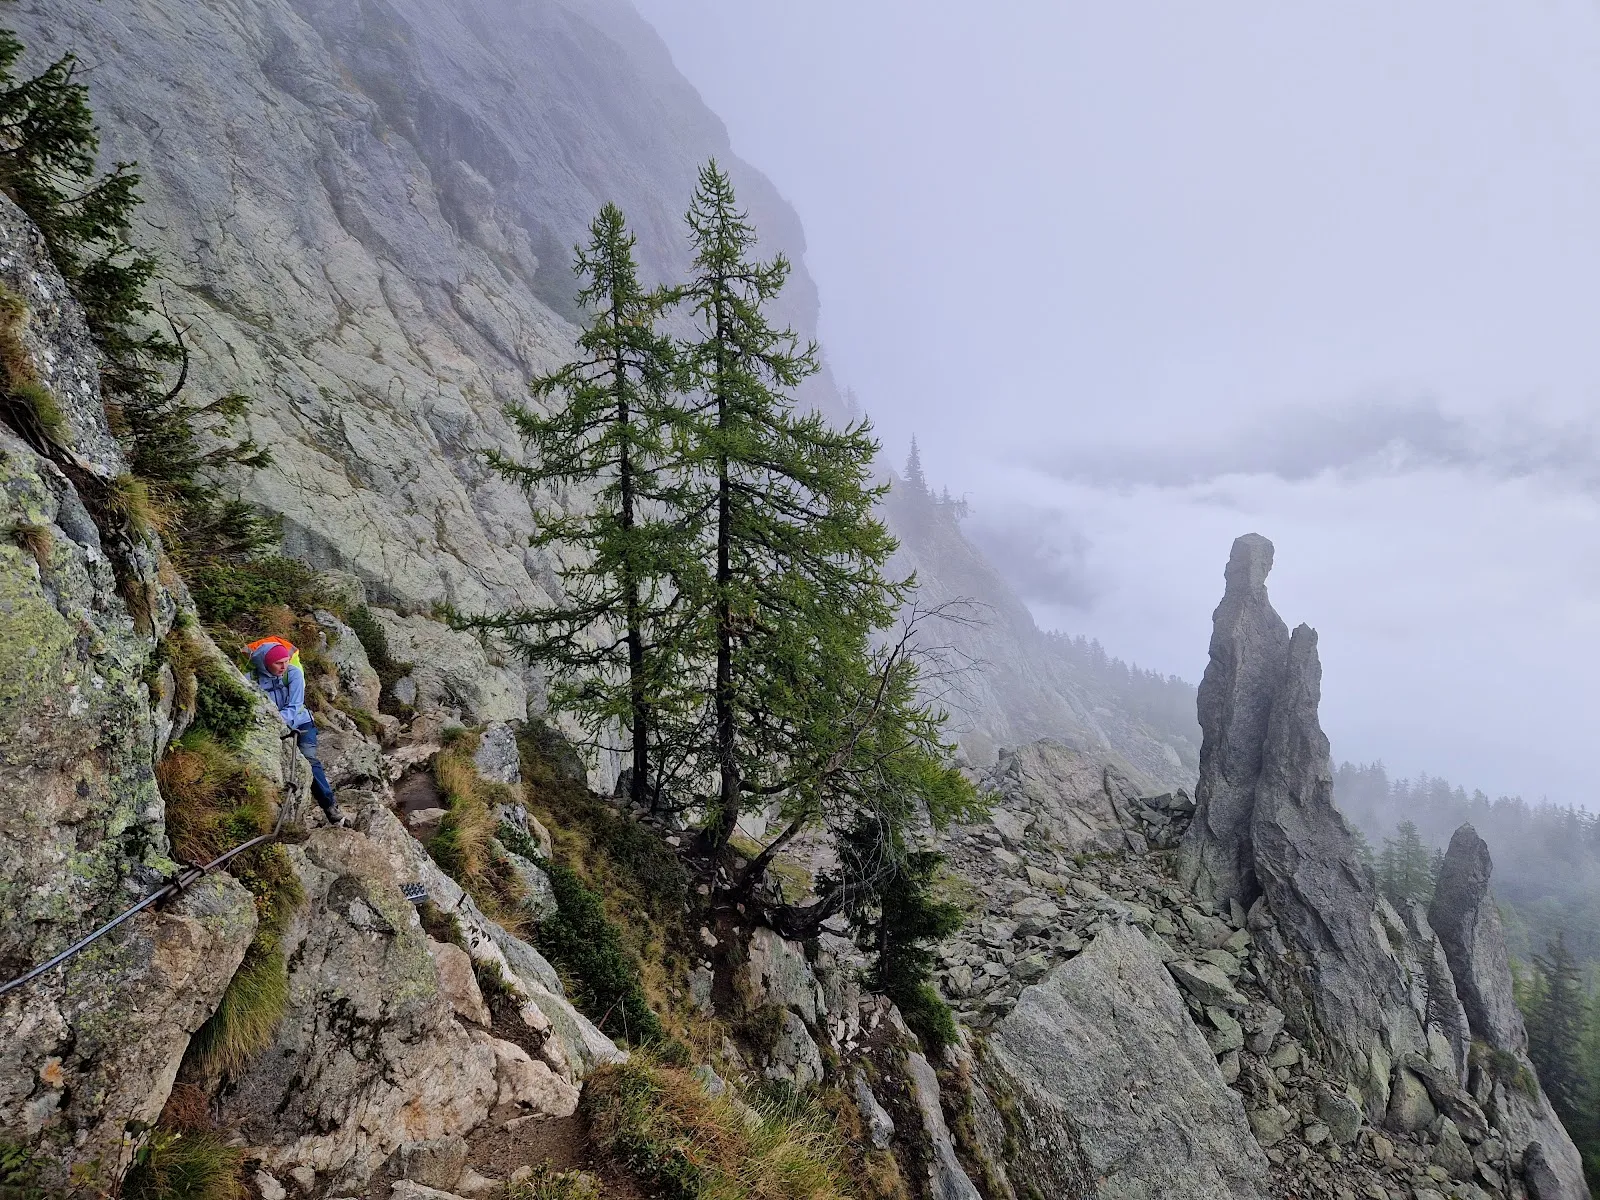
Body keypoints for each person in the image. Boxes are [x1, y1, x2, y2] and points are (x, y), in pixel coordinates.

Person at [248, 637, 347, 827]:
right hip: (273, 726)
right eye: (278, 663)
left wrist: (276, 724)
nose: (284, 666)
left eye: (286, 661)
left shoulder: (293, 673)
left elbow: (295, 706)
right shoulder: (251, 678)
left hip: (301, 724)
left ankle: (330, 807)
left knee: (309, 761)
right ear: (267, 663)